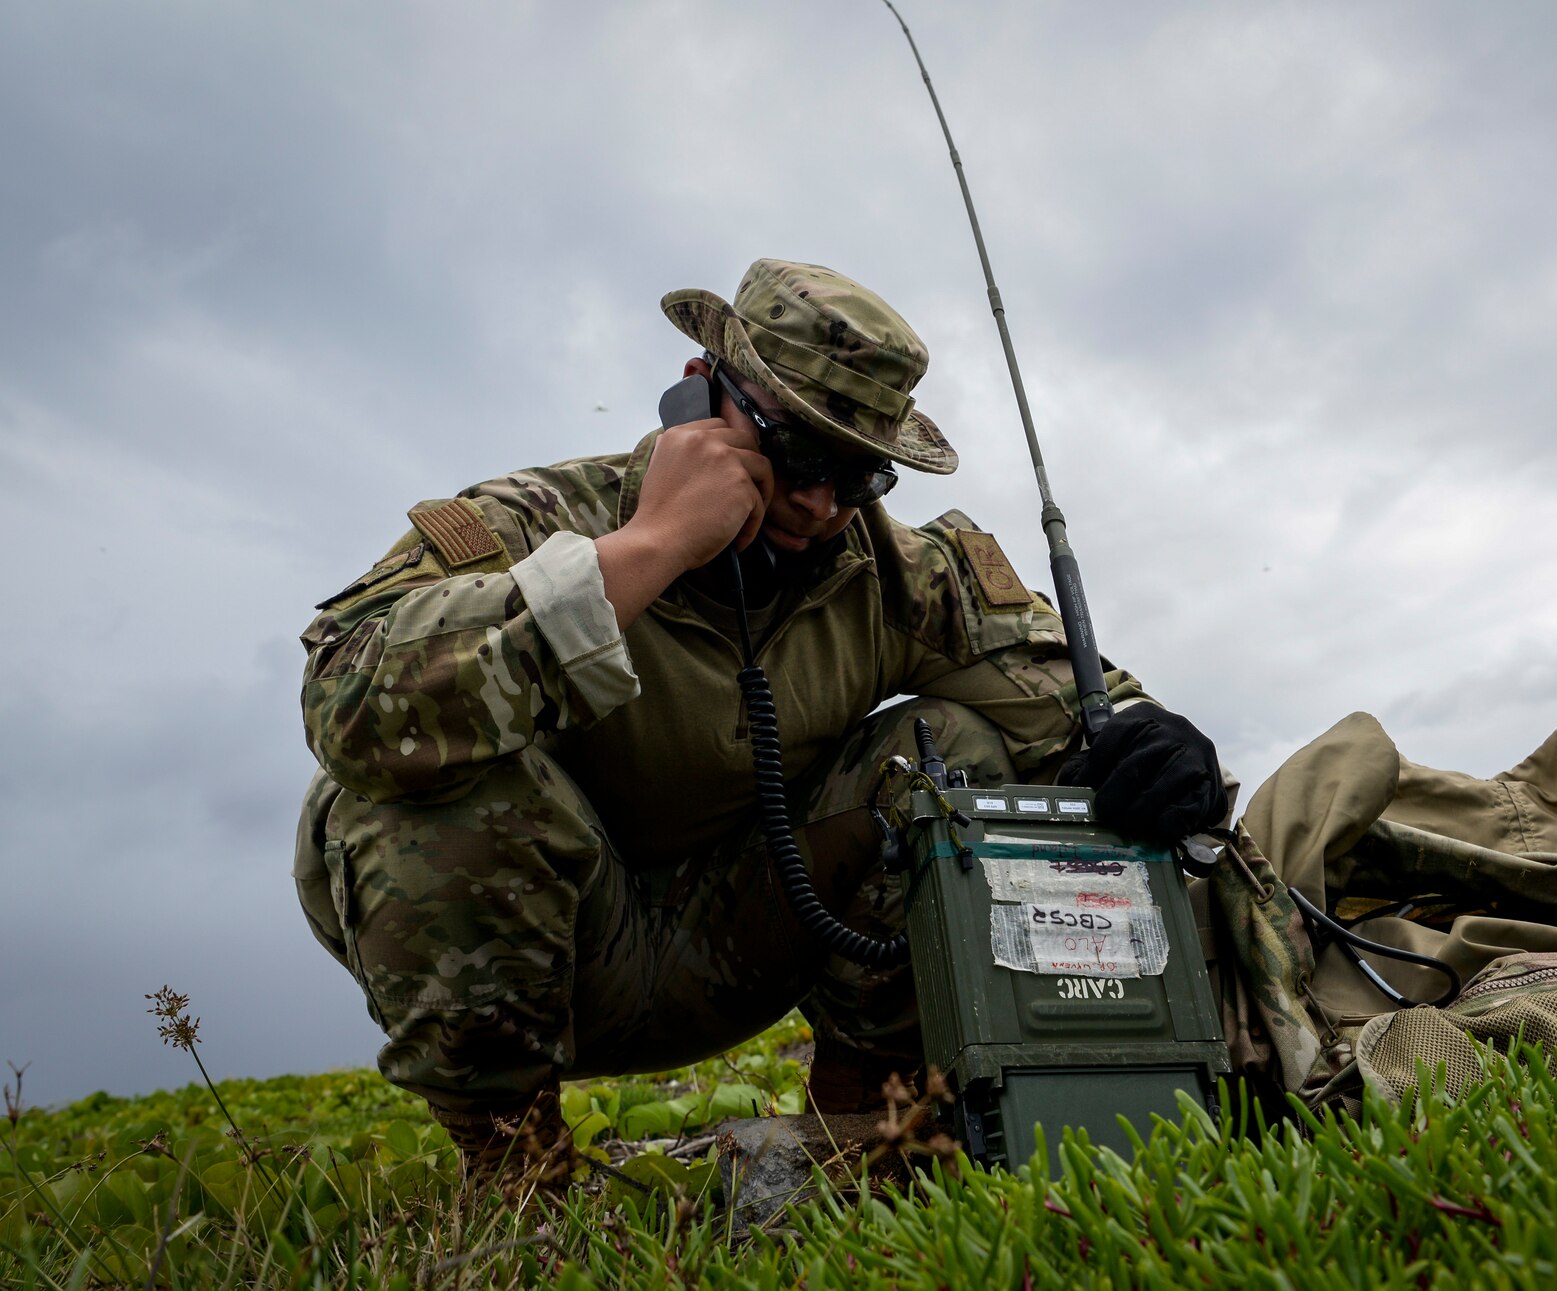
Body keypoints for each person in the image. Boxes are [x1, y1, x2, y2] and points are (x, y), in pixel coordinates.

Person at [291, 259, 1229, 1194]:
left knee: (952, 747)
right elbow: (349, 702)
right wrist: (648, 550)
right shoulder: (535, 520)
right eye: (799, 454)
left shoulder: (892, 571)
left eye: (860, 472)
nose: (821, 503)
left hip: (742, 940)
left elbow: (1068, 691)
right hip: (549, 959)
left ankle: (870, 1122)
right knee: (426, 797)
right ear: (698, 398)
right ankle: (516, 1174)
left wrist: (1148, 736)